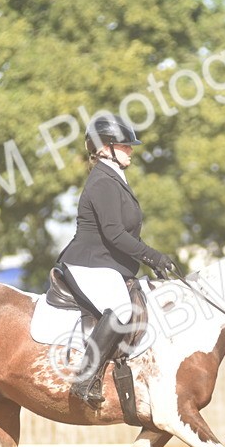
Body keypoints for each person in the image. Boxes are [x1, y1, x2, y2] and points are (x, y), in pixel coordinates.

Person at [57, 114, 179, 407]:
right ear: (105, 148)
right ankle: (84, 379)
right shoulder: (102, 181)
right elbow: (113, 234)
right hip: (89, 263)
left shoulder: (113, 178)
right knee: (122, 311)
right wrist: (153, 256)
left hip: (106, 265)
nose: (131, 150)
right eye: (125, 146)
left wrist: (152, 261)